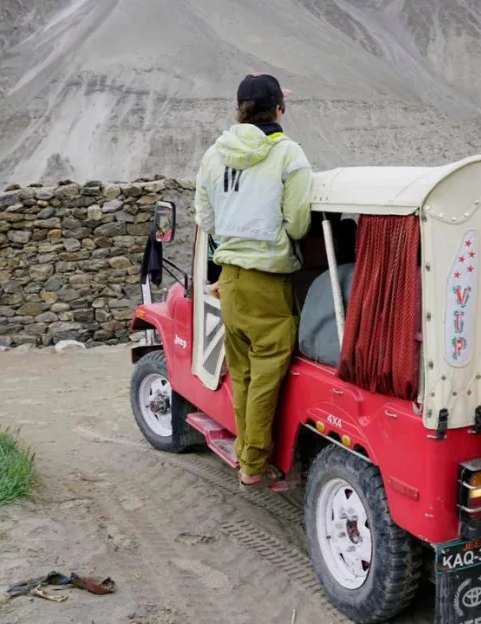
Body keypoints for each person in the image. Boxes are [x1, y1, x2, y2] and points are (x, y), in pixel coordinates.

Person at [193, 73, 313, 489]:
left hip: (230, 281)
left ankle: (246, 453)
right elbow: (299, 224)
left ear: (240, 109)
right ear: (279, 109)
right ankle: (253, 463)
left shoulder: (213, 155)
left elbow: (205, 221)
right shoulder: (288, 154)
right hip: (267, 284)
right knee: (266, 374)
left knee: (242, 372)